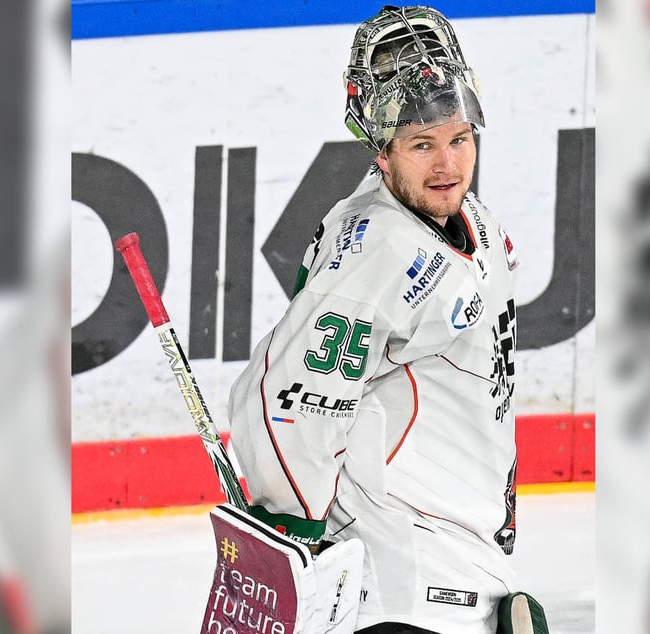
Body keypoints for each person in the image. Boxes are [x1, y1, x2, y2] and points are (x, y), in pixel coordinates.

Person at [229, 6, 547, 633]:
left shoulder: (475, 225)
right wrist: (290, 522)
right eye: (421, 145)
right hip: (403, 582)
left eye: (459, 138)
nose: (447, 165)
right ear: (382, 151)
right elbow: (287, 397)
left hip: (464, 567)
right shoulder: (382, 250)